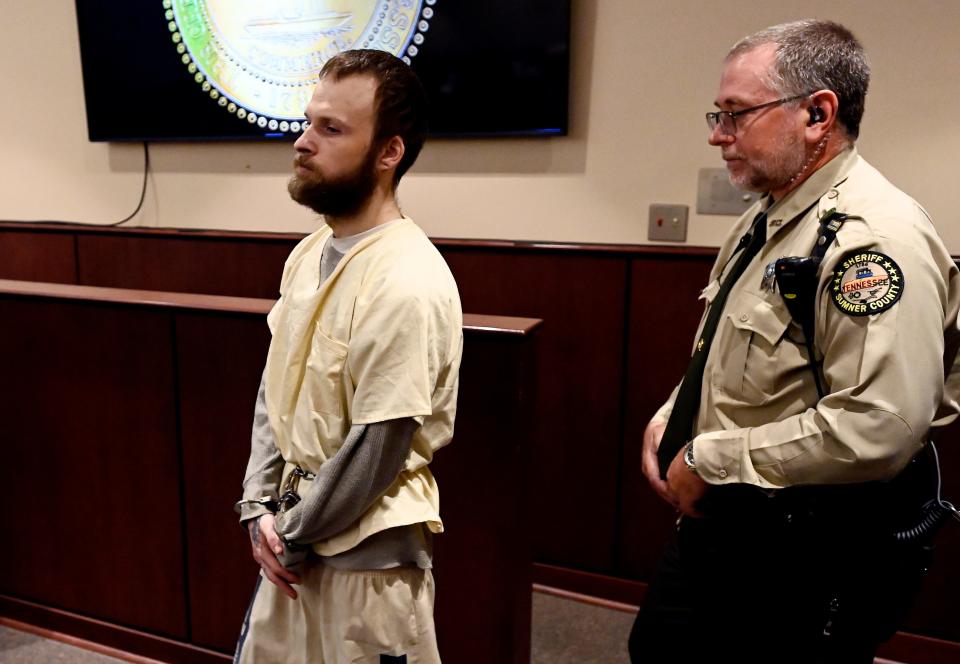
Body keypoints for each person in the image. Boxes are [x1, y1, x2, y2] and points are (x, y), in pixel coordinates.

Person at [629, 19, 960, 664]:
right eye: (717, 114)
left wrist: (708, 458)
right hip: (729, 534)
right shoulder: (775, 218)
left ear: (817, 114)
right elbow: (734, 351)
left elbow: (879, 422)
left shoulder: (873, 239)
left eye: (735, 114)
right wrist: (677, 413)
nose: (716, 135)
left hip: (808, 556)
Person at [232, 49, 462, 664]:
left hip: (365, 563)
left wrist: (291, 535)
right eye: (309, 122)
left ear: (389, 152)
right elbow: (274, 393)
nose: (304, 142)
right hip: (291, 535)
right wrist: (259, 505)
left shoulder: (407, 277)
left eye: (331, 129)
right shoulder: (309, 252)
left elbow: (378, 445)